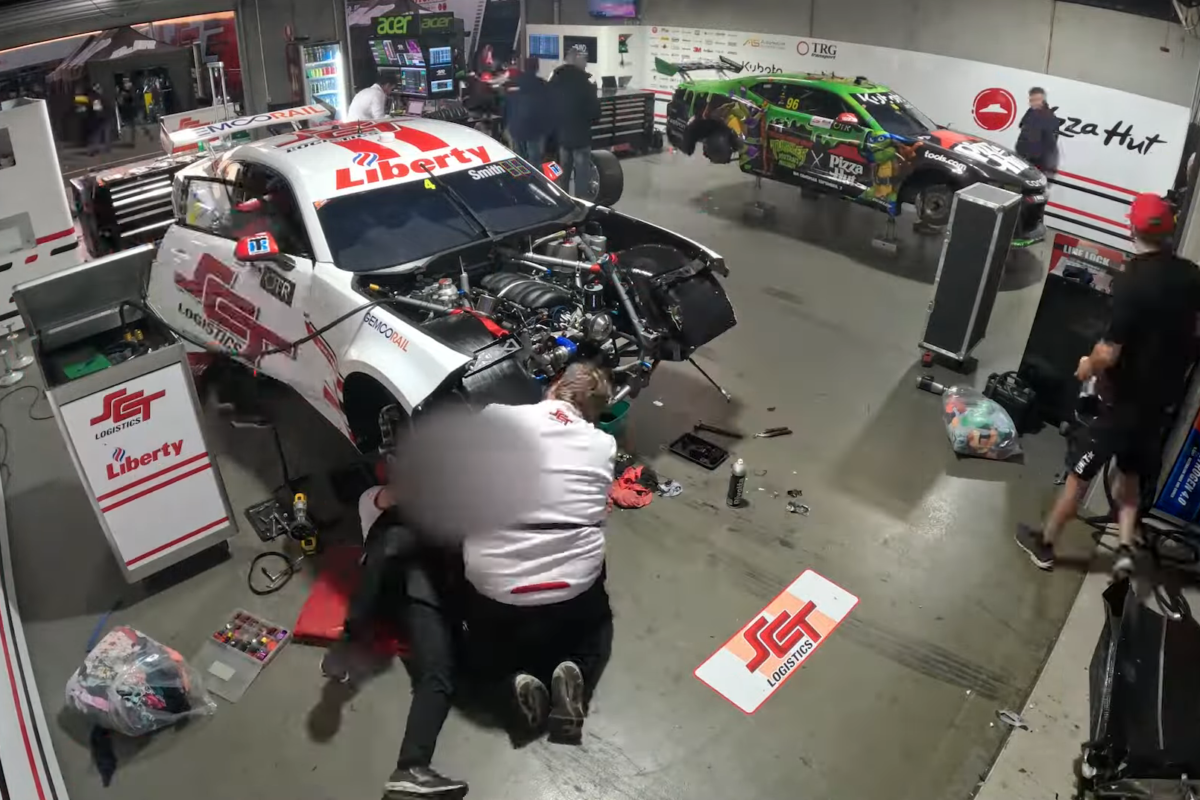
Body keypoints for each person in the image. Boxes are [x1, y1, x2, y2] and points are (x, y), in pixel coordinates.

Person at [1015, 193, 1200, 576]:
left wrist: (1087, 366)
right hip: (1159, 404)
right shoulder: (1190, 275)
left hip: (1118, 406)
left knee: (1077, 479)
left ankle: (1045, 544)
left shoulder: (1132, 282)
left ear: (1131, 228)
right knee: (1130, 477)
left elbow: (1109, 352)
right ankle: (1127, 551)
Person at [464, 363, 616, 744]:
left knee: (480, 642)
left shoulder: (498, 417)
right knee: (597, 623)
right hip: (572, 583)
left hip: (496, 581)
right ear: (593, 411)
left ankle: (510, 681)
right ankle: (575, 668)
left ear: (554, 386)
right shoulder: (603, 444)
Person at [321, 482, 469, 797]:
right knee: (397, 541)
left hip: (419, 596)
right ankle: (349, 641)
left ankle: (411, 769)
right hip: (385, 582)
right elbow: (389, 499)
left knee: (438, 675)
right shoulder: (373, 499)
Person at [548, 45, 600, 200]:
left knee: (563, 171)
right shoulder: (587, 84)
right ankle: (581, 205)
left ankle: (562, 201)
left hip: (563, 136)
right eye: (584, 60)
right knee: (582, 175)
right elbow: (596, 113)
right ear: (579, 60)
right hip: (581, 136)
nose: (586, 64)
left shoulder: (556, 79)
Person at [505, 57, 551, 165]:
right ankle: (533, 180)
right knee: (534, 159)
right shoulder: (542, 84)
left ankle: (520, 180)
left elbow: (507, 105)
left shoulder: (514, 82)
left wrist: (506, 124)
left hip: (516, 125)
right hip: (534, 128)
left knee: (519, 158)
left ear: (524, 67)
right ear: (537, 68)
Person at [1015, 86, 1060, 176]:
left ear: (1043, 99)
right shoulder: (1031, 112)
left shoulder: (1049, 118)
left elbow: (1050, 145)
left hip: (1035, 166)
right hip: (1024, 161)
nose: (1034, 103)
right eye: (1032, 100)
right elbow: (1023, 130)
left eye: (1037, 100)